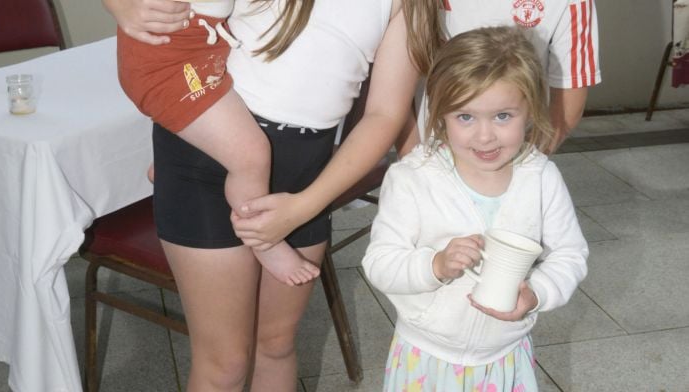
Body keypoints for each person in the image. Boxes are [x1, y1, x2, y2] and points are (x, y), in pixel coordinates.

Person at [103, 0, 421, 390]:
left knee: (276, 345)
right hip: (210, 157)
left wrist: (307, 203)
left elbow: (386, 115)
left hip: (306, 179)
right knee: (226, 363)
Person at [361, 26, 589, 391]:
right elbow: (379, 262)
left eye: (502, 116)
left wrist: (538, 293)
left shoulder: (541, 177)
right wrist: (434, 265)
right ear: (440, 114)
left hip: (505, 355)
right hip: (427, 355)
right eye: (465, 117)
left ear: (529, 110)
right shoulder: (412, 179)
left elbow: (570, 254)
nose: (485, 136)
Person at [116, 0, 321, 286]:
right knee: (250, 156)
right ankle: (263, 241)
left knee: (225, 128)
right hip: (168, 67)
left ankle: (166, 166)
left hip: (198, 53)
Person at [396, 0, 601, 157]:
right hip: (430, 157)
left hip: (512, 159)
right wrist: (414, 158)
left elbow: (568, 102)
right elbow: (394, 88)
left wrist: (526, 163)